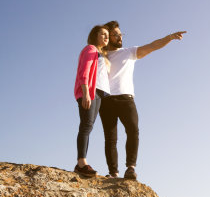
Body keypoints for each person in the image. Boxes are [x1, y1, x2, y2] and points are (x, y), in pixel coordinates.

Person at [100, 20, 186, 180]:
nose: (119, 37)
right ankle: (113, 173)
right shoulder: (101, 56)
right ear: (108, 37)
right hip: (106, 101)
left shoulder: (129, 52)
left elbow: (152, 46)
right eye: (115, 35)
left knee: (133, 130)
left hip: (126, 99)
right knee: (110, 138)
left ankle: (130, 168)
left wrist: (169, 37)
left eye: (120, 34)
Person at [73, 25, 111, 177]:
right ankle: (81, 163)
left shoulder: (101, 54)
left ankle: (81, 163)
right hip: (90, 91)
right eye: (103, 34)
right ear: (95, 36)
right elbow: (84, 71)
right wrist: (86, 93)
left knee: (89, 125)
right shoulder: (91, 49)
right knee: (86, 125)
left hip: (99, 93)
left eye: (107, 35)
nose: (106, 37)